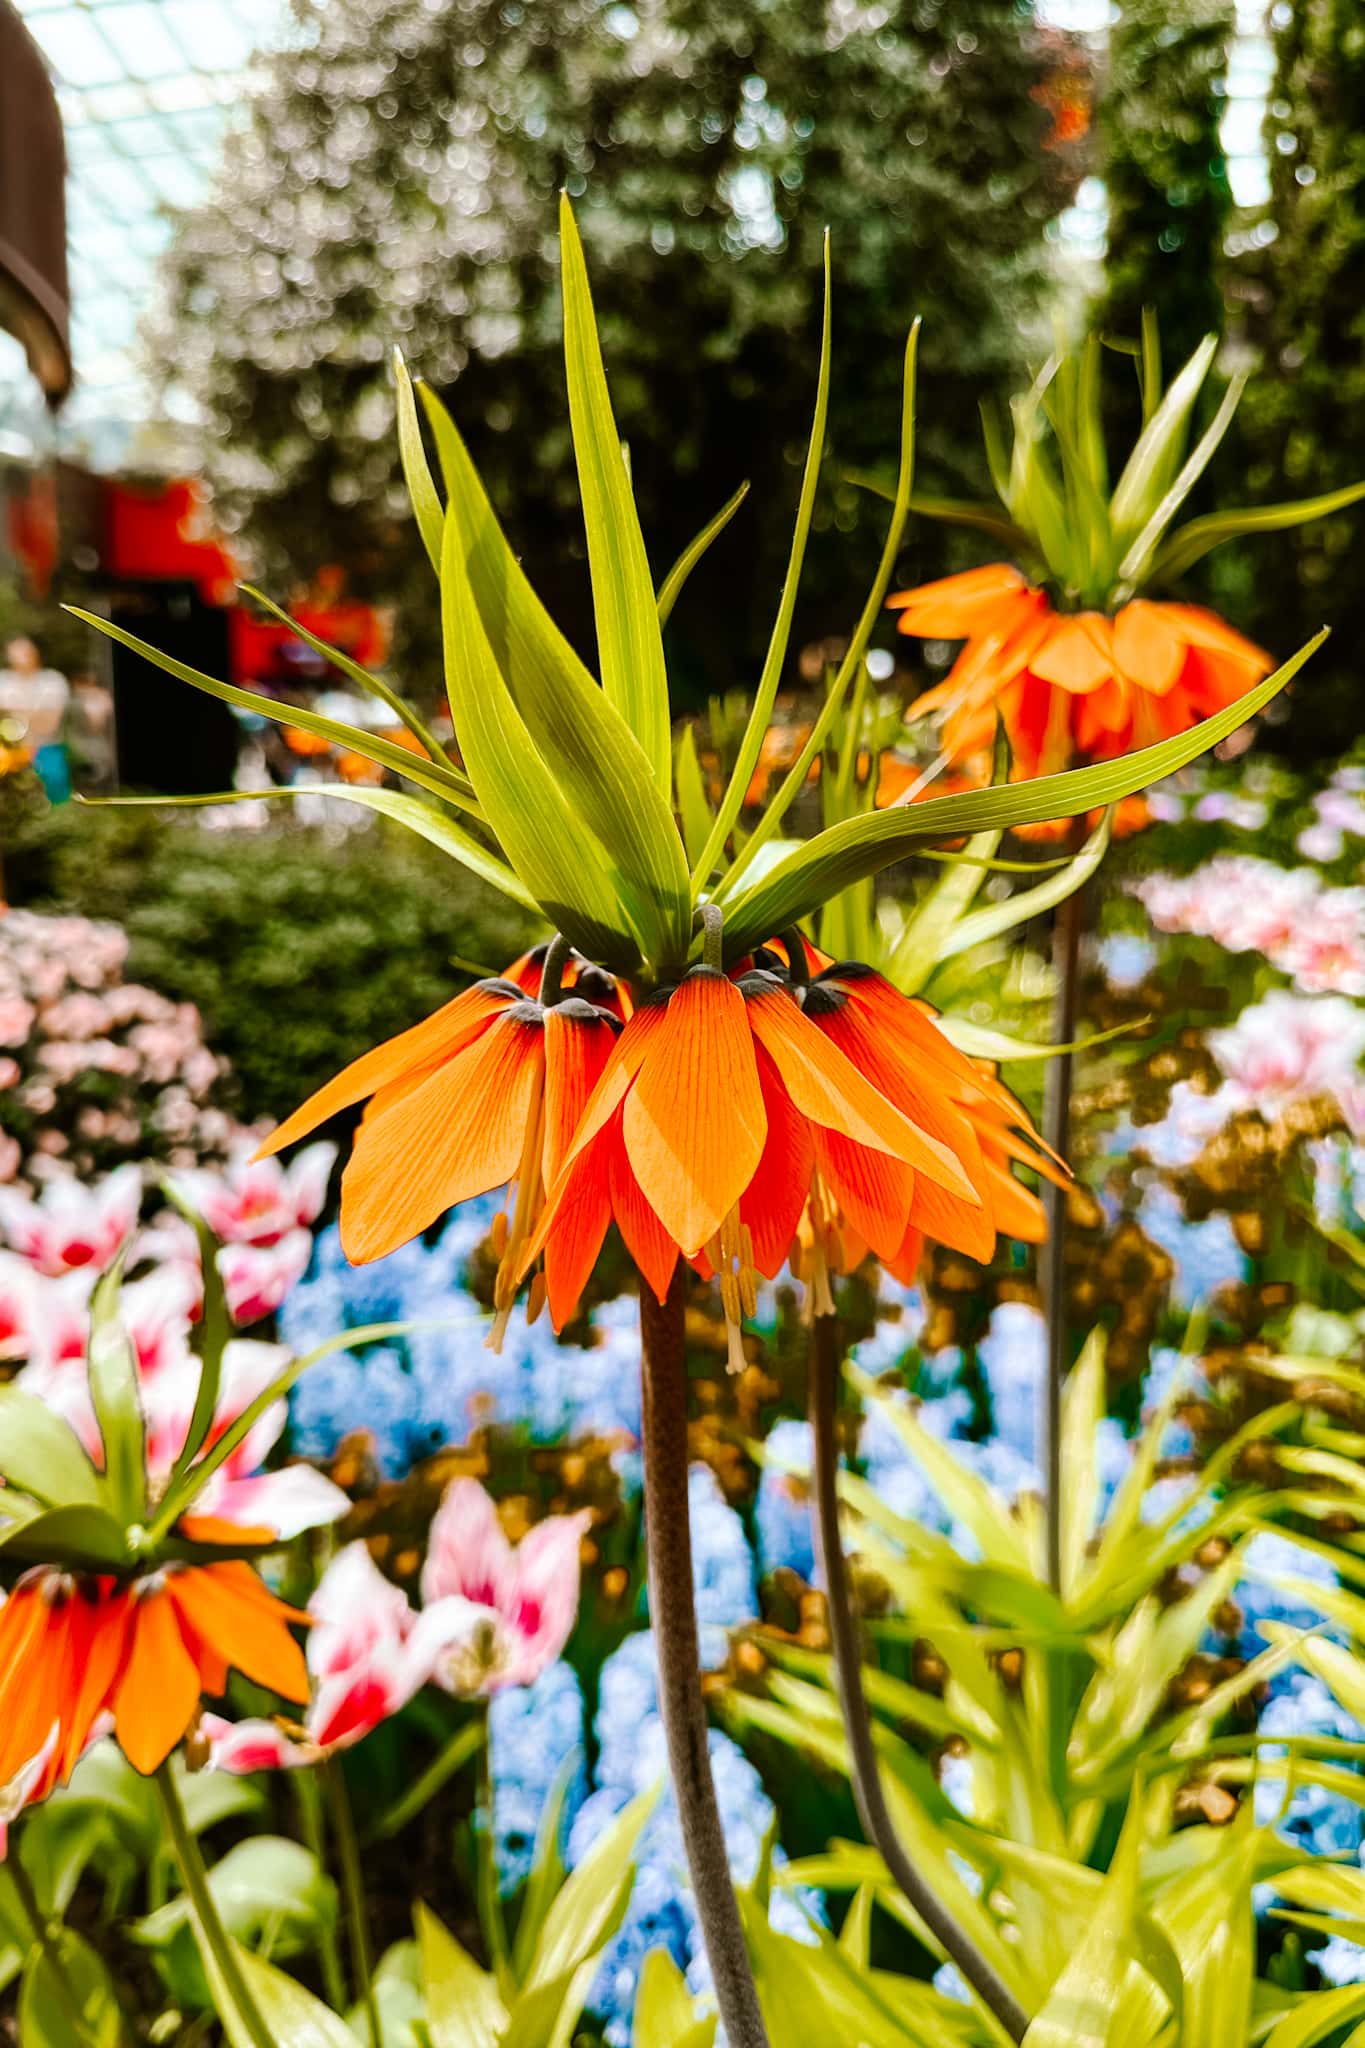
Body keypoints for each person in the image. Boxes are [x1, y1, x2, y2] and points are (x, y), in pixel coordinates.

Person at [0, 637, 71, 802]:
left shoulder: (53, 681)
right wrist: (36, 713)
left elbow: (49, 725)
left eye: (24, 652)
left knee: (55, 797)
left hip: (47, 750)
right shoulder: (3, 680)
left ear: (35, 653)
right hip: (9, 753)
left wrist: (13, 712)